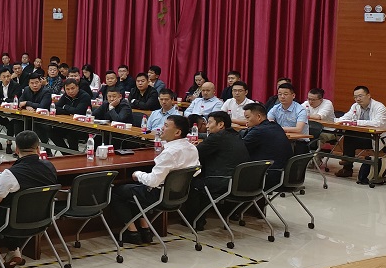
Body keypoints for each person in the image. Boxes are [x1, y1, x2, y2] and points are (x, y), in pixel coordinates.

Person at [109, 115, 199, 244]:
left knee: (119, 192)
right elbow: (196, 171)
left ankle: (132, 233)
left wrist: (137, 174)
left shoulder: (169, 153)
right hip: (179, 195)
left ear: (177, 132)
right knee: (136, 191)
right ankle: (145, 230)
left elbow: (152, 182)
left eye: (166, 126)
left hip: (158, 196)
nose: (162, 128)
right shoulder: (192, 148)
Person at [0, 131, 58, 268]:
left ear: (17, 149)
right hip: (42, 220)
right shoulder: (50, 167)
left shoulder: (11, 174)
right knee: (17, 207)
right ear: (38, 149)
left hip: (13, 224)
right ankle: (14, 251)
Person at [183, 111, 250, 229]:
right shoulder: (235, 134)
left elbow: (195, 153)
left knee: (191, 181)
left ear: (220, 125)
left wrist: (190, 147)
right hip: (240, 181)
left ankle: (195, 221)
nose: (207, 126)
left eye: (209, 123)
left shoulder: (217, 137)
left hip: (223, 181)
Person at [334, 85, 386, 181]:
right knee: (348, 134)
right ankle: (347, 165)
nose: (358, 99)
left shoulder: (379, 107)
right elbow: (347, 117)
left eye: (360, 96)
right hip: (363, 135)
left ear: (368, 95)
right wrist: (338, 121)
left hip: (377, 138)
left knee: (350, 136)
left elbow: (377, 123)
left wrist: (356, 122)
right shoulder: (355, 106)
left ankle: (347, 161)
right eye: (355, 97)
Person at [240, 102, 293, 187]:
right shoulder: (276, 126)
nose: (246, 121)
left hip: (268, 175)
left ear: (259, 117)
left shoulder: (258, 131)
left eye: (247, 117)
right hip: (284, 173)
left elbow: (239, 149)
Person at [49, 79, 92, 153]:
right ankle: (66, 154)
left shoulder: (85, 96)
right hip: (69, 124)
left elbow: (78, 112)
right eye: (68, 89)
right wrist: (68, 112)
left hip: (83, 127)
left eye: (73, 88)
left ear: (77, 87)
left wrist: (65, 106)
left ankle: (73, 154)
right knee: (52, 132)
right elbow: (55, 108)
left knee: (71, 134)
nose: (70, 91)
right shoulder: (66, 95)